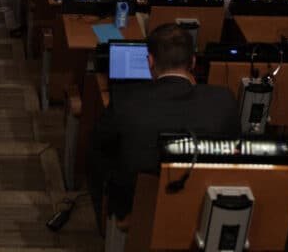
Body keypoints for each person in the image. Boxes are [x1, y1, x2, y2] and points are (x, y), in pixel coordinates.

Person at [87, 23, 238, 224]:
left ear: (150, 61)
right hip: (204, 209)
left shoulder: (126, 100)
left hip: (139, 214)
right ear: (192, 62)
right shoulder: (224, 100)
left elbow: (98, 148)